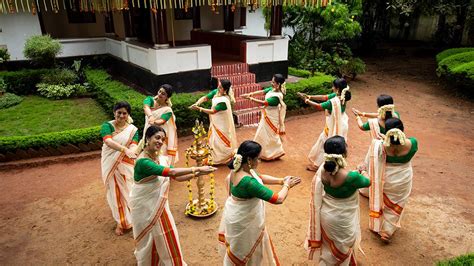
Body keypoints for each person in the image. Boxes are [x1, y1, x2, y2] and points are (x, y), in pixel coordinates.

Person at [131, 125, 217, 265]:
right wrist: (198, 168)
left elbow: (176, 177)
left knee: (163, 234)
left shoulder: (160, 158)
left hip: (158, 204)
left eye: (163, 139)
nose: (160, 141)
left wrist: (198, 174)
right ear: (147, 138)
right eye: (157, 138)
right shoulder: (143, 162)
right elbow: (172, 172)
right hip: (145, 206)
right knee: (153, 236)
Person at [218, 140, 301, 265]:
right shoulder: (248, 182)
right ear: (250, 160)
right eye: (258, 158)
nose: (260, 161)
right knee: (250, 254)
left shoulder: (238, 167)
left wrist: (280, 181)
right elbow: (278, 199)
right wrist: (287, 186)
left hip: (236, 217)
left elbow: (260, 177)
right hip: (245, 224)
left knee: (240, 252)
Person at [305, 136, 370, 265]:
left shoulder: (322, 170)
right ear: (345, 153)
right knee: (343, 246)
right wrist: (363, 171)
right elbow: (368, 182)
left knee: (329, 248)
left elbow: (336, 176)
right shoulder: (352, 177)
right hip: (343, 218)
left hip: (327, 216)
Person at [360, 118, 418, 243]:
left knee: (383, 200)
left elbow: (374, 158)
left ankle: (378, 223)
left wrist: (383, 140)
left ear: (386, 132)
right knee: (398, 202)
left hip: (386, 179)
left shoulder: (380, 145)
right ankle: (387, 231)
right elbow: (404, 143)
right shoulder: (413, 143)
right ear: (402, 130)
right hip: (403, 179)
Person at [100, 101, 139, 236]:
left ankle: (134, 217)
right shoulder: (107, 126)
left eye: (124, 113)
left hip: (126, 163)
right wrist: (124, 149)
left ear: (128, 115)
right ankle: (121, 222)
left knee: (129, 189)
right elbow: (108, 142)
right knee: (116, 193)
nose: (121, 116)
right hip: (111, 162)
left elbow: (134, 145)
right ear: (114, 112)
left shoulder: (132, 130)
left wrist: (132, 151)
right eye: (119, 113)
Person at [298, 78, 351, 171]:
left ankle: (319, 165)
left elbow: (319, 106)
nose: (332, 88)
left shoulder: (334, 101)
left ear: (337, 89)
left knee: (326, 143)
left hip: (334, 124)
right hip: (341, 123)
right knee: (331, 143)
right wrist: (310, 96)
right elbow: (324, 97)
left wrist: (306, 100)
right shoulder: (341, 96)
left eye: (333, 86)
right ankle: (333, 163)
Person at [190, 79, 237, 164]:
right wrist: (197, 103)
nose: (218, 88)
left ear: (225, 90)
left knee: (221, 140)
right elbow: (205, 98)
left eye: (221, 87)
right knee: (213, 139)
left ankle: (224, 157)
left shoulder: (224, 101)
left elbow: (212, 111)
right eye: (218, 86)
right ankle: (214, 156)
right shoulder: (216, 92)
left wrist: (199, 109)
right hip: (215, 121)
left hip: (222, 124)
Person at [242, 74, 287, 160]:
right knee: (262, 132)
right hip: (266, 115)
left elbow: (264, 103)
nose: (271, 83)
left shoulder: (277, 96)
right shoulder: (272, 89)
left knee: (270, 134)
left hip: (272, 117)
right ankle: (261, 151)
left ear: (278, 84)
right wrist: (250, 94)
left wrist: (250, 98)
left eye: (273, 82)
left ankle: (273, 153)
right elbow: (262, 92)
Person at [142, 84, 179, 165]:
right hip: (148, 132)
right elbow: (146, 107)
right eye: (159, 91)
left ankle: (161, 173)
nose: (160, 94)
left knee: (160, 155)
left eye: (163, 94)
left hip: (159, 135)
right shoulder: (150, 99)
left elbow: (162, 121)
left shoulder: (167, 109)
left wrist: (154, 122)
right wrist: (150, 116)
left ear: (167, 97)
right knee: (146, 151)